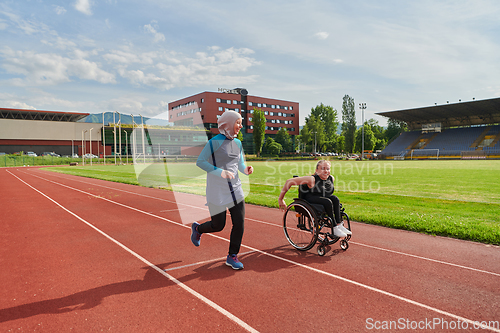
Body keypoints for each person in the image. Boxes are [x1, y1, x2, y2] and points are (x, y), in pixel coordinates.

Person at [191, 111, 254, 270]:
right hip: (217, 190)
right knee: (218, 225)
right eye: (238, 122)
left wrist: (246, 170)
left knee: (239, 223)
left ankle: (232, 255)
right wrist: (220, 172)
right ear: (228, 123)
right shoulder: (214, 142)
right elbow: (200, 162)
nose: (240, 126)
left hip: (235, 189)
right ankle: (198, 229)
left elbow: (239, 165)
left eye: (241, 123)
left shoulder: (238, 143)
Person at [278, 160, 351, 238]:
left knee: (335, 199)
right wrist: (281, 199)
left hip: (323, 199)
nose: (326, 171)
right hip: (310, 199)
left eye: (328, 169)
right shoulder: (311, 179)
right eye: (323, 168)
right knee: (328, 201)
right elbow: (289, 181)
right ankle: (335, 228)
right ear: (317, 170)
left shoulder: (331, 178)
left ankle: (339, 225)